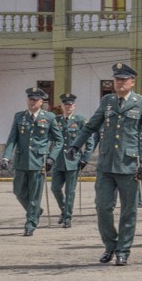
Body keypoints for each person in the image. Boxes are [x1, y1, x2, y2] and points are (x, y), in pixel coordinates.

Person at [67, 62, 142, 265]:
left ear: (132, 82)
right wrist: (75, 146)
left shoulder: (141, 103)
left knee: (129, 210)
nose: (119, 83)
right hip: (106, 164)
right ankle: (110, 245)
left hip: (129, 165)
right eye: (117, 79)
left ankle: (123, 250)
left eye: (123, 79)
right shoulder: (107, 101)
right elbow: (91, 126)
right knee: (102, 207)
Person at [1, 87, 64, 236]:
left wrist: (51, 158)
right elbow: (12, 139)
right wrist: (5, 157)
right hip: (21, 161)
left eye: (35, 100)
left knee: (35, 196)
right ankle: (36, 211)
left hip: (39, 162)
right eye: (30, 99)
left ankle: (30, 223)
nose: (32, 102)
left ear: (42, 102)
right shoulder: (19, 117)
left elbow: (59, 141)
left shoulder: (49, 117)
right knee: (18, 191)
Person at [51, 93, 95, 228]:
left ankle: (67, 217)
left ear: (74, 106)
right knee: (55, 188)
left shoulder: (80, 120)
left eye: (70, 104)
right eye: (65, 104)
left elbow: (90, 142)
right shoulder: (56, 120)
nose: (68, 106)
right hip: (58, 161)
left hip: (73, 161)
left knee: (70, 191)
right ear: (62, 106)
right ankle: (64, 210)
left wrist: (85, 159)